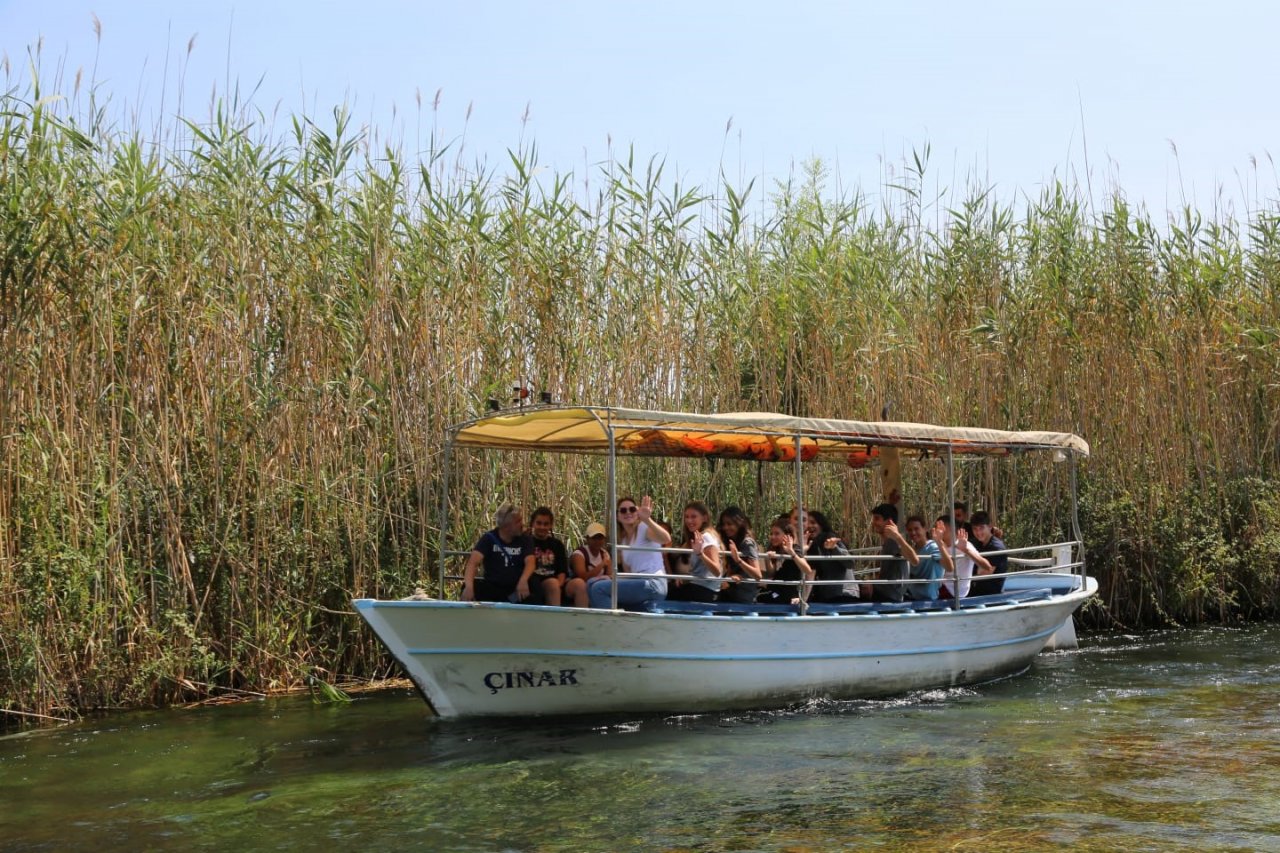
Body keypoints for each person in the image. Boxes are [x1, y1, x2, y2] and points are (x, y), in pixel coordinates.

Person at [588, 496, 672, 609]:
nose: (628, 512)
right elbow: (629, 575)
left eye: (632, 509)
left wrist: (647, 519)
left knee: (598, 589)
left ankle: (611, 624)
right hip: (639, 582)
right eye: (623, 510)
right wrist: (611, 578)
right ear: (618, 516)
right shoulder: (623, 542)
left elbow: (666, 539)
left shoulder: (643, 528)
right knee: (591, 583)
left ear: (637, 512)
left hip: (654, 583)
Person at [461, 504, 537, 603]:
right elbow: (473, 563)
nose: (522, 524)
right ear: (506, 527)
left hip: (515, 587)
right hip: (493, 586)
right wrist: (469, 587)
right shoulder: (489, 538)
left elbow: (530, 562)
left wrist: (523, 580)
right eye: (518, 521)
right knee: (470, 588)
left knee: (534, 587)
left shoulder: (525, 539)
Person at [790, 507, 860, 603]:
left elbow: (850, 563)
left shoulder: (830, 538)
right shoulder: (811, 545)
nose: (809, 526)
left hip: (843, 592)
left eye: (813, 522)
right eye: (807, 523)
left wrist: (834, 548)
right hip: (827, 595)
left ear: (821, 525)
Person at [668, 501, 723, 603]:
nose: (689, 520)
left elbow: (716, 571)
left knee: (665, 592)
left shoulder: (706, 537)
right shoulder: (699, 536)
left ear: (704, 518)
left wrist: (700, 554)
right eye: (687, 517)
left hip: (705, 591)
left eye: (694, 517)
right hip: (701, 587)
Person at [758, 517, 815, 605]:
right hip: (777, 589)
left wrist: (791, 552)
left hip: (787, 593)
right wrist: (767, 559)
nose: (773, 537)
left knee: (757, 597)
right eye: (771, 533)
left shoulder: (795, 549)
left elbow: (807, 570)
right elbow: (771, 573)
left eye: (777, 534)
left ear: (788, 536)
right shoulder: (777, 549)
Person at [934, 514, 992, 599]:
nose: (937, 531)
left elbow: (987, 567)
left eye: (940, 528)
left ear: (951, 529)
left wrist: (966, 550)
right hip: (941, 586)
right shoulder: (938, 545)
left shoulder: (964, 545)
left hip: (954, 590)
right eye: (937, 528)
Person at [869, 503, 918, 603]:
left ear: (889, 521)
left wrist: (897, 537)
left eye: (877, 519)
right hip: (884, 590)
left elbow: (915, 560)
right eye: (873, 519)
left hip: (891, 594)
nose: (873, 522)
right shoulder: (887, 542)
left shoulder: (894, 541)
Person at [717, 506, 763, 604]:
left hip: (743, 596)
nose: (725, 528)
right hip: (730, 591)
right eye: (724, 524)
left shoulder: (747, 543)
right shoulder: (730, 541)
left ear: (739, 523)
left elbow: (757, 575)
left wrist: (738, 560)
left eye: (729, 524)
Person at [527, 506, 569, 606]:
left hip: (554, 581)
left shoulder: (557, 544)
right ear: (533, 523)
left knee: (579, 584)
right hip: (533, 583)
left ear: (551, 525)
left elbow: (562, 571)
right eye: (539, 523)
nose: (542, 527)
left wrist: (559, 585)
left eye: (546, 524)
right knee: (552, 584)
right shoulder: (526, 542)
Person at [566, 522, 610, 607]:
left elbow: (610, 575)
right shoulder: (579, 554)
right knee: (581, 584)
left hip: (597, 588)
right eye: (594, 538)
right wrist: (602, 564)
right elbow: (583, 577)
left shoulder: (605, 554)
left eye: (600, 538)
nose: (597, 541)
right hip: (575, 586)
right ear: (587, 539)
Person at [903, 514, 944, 600]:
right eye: (910, 530)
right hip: (911, 595)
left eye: (916, 529)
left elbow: (948, 566)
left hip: (927, 597)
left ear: (925, 528)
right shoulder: (914, 550)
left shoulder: (932, 547)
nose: (913, 532)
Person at [968, 510, 1008, 597]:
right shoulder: (974, 543)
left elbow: (984, 572)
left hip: (990, 594)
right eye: (975, 529)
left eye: (981, 528)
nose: (978, 532)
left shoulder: (997, 547)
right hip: (973, 591)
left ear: (990, 526)